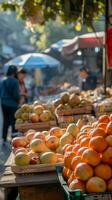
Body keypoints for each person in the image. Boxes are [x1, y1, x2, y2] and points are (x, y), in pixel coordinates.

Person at [0, 65, 20, 143]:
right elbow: (16, 95)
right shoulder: (15, 81)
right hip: (13, 104)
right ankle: (13, 138)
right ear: (15, 72)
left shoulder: (2, 81)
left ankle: (4, 138)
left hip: (3, 103)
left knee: (5, 121)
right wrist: (18, 101)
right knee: (13, 121)